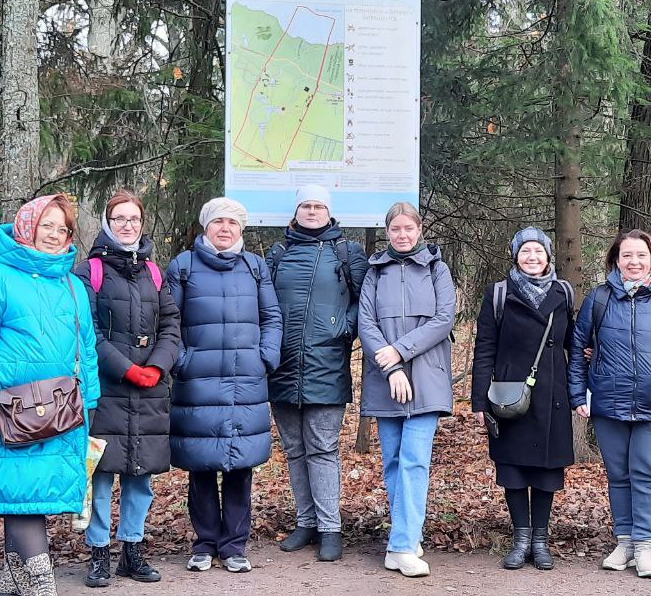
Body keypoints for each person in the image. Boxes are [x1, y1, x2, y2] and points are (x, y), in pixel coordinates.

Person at [0, 194, 101, 596]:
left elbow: (87, 348)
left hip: (62, 411)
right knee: (18, 493)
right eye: (46, 226)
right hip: (8, 412)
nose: (55, 235)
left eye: (63, 229)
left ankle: (14, 580)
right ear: (27, 227)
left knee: (27, 497)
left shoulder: (73, 284)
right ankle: (41, 585)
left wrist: (90, 402)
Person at [567, 229, 651, 579]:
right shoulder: (599, 299)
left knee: (649, 474)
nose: (634, 262)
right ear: (616, 260)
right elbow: (578, 349)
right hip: (609, 403)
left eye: (641, 255)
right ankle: (625, 543)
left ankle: (646, 547)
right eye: (627, 255)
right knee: (619, 475)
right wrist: (578, 395)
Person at [167, 197, 282, 574]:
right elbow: (169, 321)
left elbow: (272, 317)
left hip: (246, 380)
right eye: (218, 222)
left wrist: (265, 357)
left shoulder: (255, 267)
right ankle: (204, 543)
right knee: (201, 464)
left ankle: (234, 545)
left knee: (240, 465)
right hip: (197, 382)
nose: (225, 228)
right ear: (206, 227)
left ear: (241, 229)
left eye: (232, 223)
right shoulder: (183, 266)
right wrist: (182, 360)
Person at [73, 189, 182, 587]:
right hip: (106, 388)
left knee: (141, 476)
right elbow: (87, 331)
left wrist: (157, 366)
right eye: (119, 218)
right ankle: (99, 552)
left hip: (151, 389)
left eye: (133, 218)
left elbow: (171, 323)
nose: (127, 225)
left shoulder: (154, 271)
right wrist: (126, 369)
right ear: (107, 222)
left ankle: (132, 550)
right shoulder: (88, 271)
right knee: (102, 475)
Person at [267, 185, 368, 562]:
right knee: (295, 450)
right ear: (296, 211)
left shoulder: (347, 252)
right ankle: (306, 523)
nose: (312, 211)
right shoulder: (279, 253)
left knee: (323, 448)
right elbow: (264, 304)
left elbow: (364, 300)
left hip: (327, 364)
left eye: (318, 206)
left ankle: (330, 528)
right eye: (306, 205)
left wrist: (344, 328)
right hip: (282, 366)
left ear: (329, 211)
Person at [358, 202, 457, 578]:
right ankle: (407, 537)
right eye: (395, 229)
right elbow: (366, 323)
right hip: (386, 380)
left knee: (415, 460)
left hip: (427, 380)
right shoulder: (374, 272)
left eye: (408, 228)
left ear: (420, 230)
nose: (402, 235)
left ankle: (400, 546)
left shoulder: (437, 268)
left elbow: (443, 319)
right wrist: (393, 367)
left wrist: (400, 350)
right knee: (394, 463)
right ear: (387, 232)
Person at [471, 227, 575, 571]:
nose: (532, 257)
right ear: (515, 256)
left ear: (548, 256)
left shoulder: (563, 292)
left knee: (547, 470)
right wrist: (479, 402)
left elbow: (573, 344)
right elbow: (484, 349)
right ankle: (521, 540)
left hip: (552, 395)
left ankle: (541, 541)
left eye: (538, 251)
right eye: (525, 251)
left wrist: (579, 385)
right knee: (513, 469)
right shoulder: (499, 293)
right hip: (510, 397)